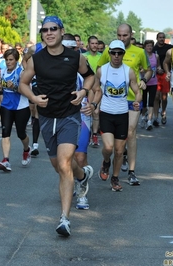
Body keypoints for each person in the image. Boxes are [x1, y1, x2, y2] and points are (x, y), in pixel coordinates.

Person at [19, 16, 95, 237]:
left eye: (53, 29)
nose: (49, 33)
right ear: (42, 34)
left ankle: (64, 219)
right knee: (59, 166)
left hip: (69, 116)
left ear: (62, 32)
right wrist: (34, 98)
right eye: (45, 30)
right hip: (46, 118)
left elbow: (89, 77)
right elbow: (23, 83)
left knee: (64, 163)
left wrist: (83, 92)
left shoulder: (75, 57)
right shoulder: (36, 59)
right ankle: (82, 177)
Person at [97, 23, 152, 186]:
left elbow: (149, 70)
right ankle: (117, 156)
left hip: (132, 99)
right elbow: (100, 70)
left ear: (131, 35)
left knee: (131, 131)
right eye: (119, 35)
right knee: (115, 143)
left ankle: (132, 171)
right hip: (113, 100)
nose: (122, 38)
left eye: (125, 35)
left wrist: (143, 80)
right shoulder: (112, 51)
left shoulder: (140, 52)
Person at [62, 34, 102, 209]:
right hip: (60, 117)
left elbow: (97, 89)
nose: (67, 53)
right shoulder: (52, 66)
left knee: (79, 155)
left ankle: (82, 190)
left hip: (81, 118)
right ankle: (75, 179)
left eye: (72, 49)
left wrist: (92, 105)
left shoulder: (82, 65)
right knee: (62, 161)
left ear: (77, 49)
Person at [97, 40, 141, 191]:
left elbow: (137, 91)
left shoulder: (128, 71)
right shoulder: (102, 70)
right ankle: (105, 161)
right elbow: (95, 90)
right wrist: (93, 105)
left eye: (119, 53)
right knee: (108, 147)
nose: (116, 56)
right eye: (113, 53)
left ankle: (115, 178)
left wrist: (137, 101)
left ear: (123, 54)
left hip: (122, 114)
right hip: (106, 113)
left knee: (120, 151)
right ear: (109, 53)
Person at [0, 49, 31, 172]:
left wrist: (15, 87)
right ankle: (6, 160)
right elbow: (1, 89)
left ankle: (27, 149)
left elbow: (28, 92)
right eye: (6, 60)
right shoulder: (3, 71)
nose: (8, 62)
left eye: (11, 60)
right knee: (5, 133)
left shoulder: (22, 72)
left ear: (16, 60)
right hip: (6, 106)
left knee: (21, 133)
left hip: (21, 106)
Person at [21, 41, 47, 157]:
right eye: (46, 30)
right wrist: (30, 73)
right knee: (34, 110)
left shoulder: (58, 47)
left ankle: (38, 143)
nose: (49, 33)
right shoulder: (34, 48)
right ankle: (35, 143)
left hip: (49, 82)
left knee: (40, 111)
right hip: (36, 82)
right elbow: (24, 60)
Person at [83, 35, 102, 146]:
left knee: (96, 112)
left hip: (98, 87)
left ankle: (94, 135)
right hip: (87, 88)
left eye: (96, 43)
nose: (95, 45)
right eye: (92, 43)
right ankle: (87, 134)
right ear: (88, 44)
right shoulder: (83, 56)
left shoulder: (102, 56)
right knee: (88, 111)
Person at [153, 32, 173, 125]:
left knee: (164, 97)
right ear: (157, 38)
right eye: (160, 37)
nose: (162, 39)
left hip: (166, 74)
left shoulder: (169, 48)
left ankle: (163, 112)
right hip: (156, 74)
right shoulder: (153, 49)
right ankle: (156, 117)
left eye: (163, 37)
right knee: (156, 96)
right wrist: (157, 69)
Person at [142, 40, 160, 130]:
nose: (149, 47)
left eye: (151, 46)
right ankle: (143, 117)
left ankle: (149, 121)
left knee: (151, 102)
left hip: (153, 82)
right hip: (144, 82)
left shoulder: (156, 56)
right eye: (148, 46)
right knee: (144, 103)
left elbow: (158, 67)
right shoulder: (142, 56)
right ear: (145, 47)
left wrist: (159, 69)